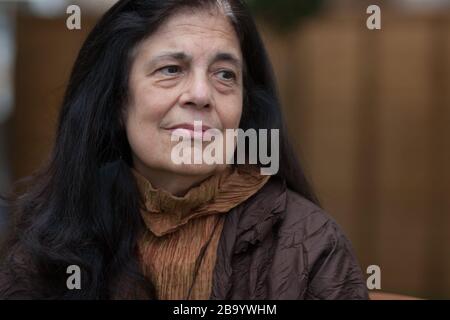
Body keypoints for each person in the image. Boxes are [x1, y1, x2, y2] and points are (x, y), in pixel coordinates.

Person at [0, 0, 368, 300]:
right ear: (116, 101)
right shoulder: (50, 238)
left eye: (225, 75)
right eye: (171, 69)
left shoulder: (310, 244)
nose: (201, 95)